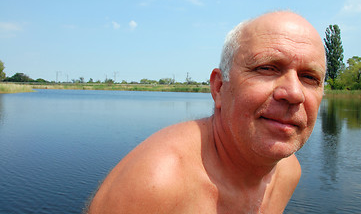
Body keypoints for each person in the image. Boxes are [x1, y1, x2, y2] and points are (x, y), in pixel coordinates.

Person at [86, 11, 326, 214]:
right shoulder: (154, 188)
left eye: (309, 77)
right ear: (219, 87)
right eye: (267, 68)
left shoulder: (288, 172)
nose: (294, 93)